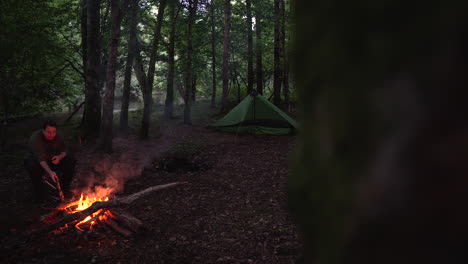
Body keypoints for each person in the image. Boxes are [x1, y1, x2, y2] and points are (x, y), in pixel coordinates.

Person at [24, 120, 76, 203]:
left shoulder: (58, 136)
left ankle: (64, 189)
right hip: (37, 161)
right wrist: (50, 172)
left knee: (71, 160)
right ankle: (40, 195)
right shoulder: (36, 139)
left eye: (54, 132)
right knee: (32, 166)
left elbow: (65, 149)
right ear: (43, 130)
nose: (51, 135)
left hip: (52, 159)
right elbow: (41, 159)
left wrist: (59, 157)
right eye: (48, 132)